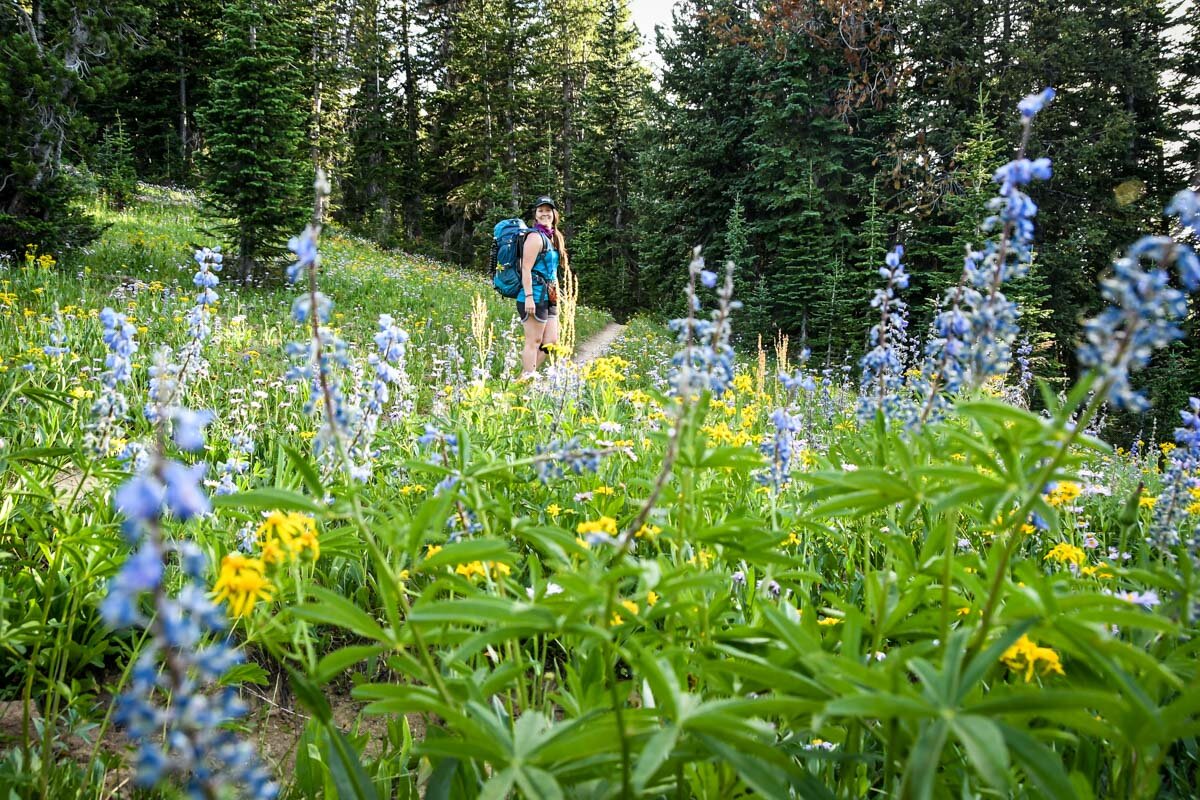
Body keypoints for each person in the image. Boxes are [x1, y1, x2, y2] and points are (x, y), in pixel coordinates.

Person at [517, 195, 567, 378]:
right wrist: (529, 296)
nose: (545, 214)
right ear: (536, 215)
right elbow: (526, 268)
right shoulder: (535, 237)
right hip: (534, 296)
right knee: (534, 341)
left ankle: (524, 377)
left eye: (548, 210)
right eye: (541, 210)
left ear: (554, 214)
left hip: (550, 296)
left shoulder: (553, 237)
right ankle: (526, 381)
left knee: (550, 342)